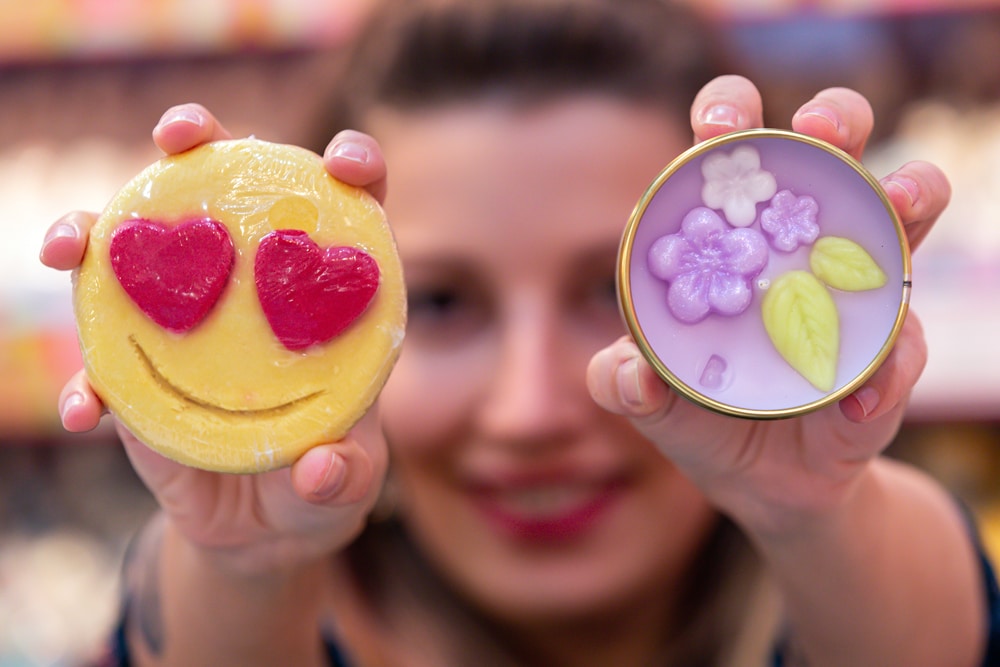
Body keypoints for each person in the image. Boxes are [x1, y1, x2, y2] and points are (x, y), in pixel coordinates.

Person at [39, 0, 998, 665]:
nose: (531, 409)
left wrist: (814, 509)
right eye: (446, 304)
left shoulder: (871, 589)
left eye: (612, 291)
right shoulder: (241, 610)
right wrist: (241, 562)